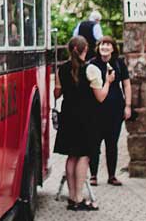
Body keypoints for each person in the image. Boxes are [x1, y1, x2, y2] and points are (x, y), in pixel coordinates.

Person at [53, 34, 111, 211]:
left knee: (71, 156)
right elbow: (100, 97)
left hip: (68, 116)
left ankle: (71, 197)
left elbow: (57, 94)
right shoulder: (91, 69)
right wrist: (108, 81)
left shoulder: (61, 69)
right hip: (86, 118)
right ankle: (79, 198)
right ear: (85, 49)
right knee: (84, 156)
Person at [91, 37, 130, 186]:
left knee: (112, 143)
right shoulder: (93, 64)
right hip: (96, 109)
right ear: (98, 47)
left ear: (113, 48)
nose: (105, 47)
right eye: (102, 44)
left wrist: (128, 105)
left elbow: (126, 85)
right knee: (94, 142)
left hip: (115, 108)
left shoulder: (119, 64)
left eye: (108, 45)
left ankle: (111, 175)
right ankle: (93, 175)